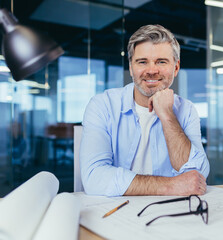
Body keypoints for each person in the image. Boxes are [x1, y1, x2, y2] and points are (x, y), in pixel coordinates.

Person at [80, 24, 210, 197]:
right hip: (115, 211)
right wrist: (170, 186)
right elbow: (94, 178)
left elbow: (197, 175)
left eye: (161, 62)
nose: (151, 70)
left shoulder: (186, 110)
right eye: (142, 62)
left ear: (176, 68)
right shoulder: (102, 105)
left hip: (169, 212)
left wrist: (167, 115)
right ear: (131, 68)